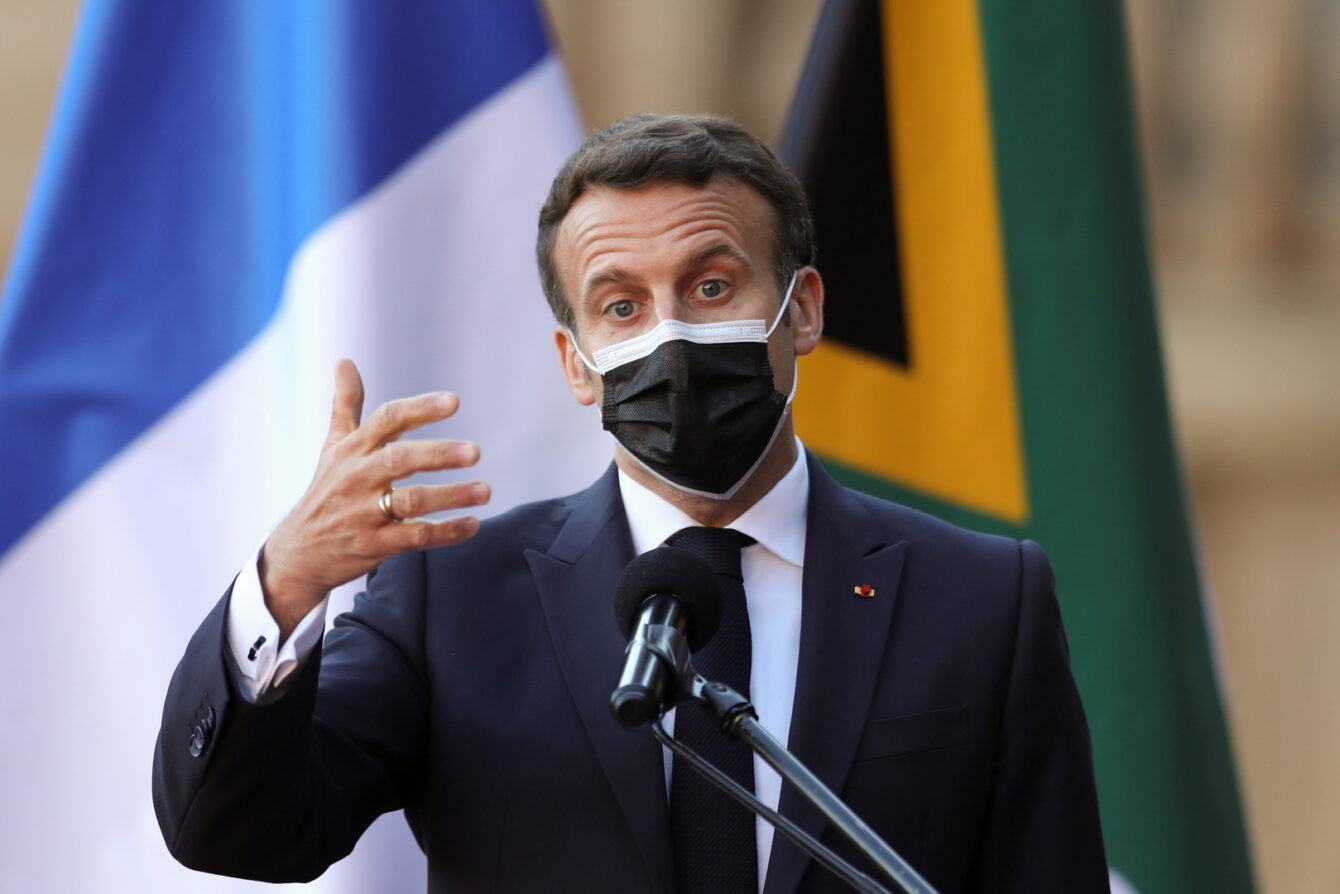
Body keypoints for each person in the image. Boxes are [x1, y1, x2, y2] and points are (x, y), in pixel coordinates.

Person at [153, 114, 1109, 893]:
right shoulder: (453, 600)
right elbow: (238, 834)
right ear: (577, 364)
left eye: (711, 286)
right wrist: (287, 580)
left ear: (804, 310)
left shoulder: (984, 600)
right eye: (622, 307)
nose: (672, 335)